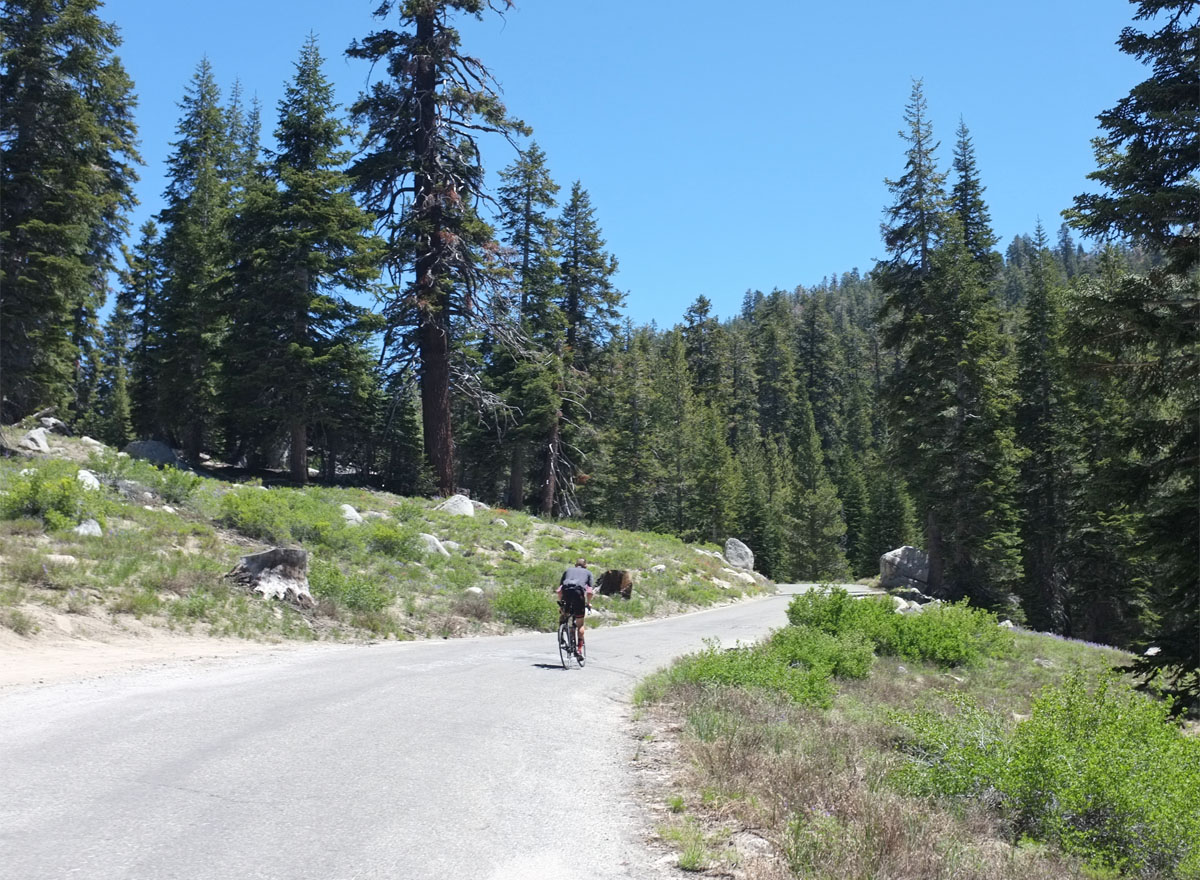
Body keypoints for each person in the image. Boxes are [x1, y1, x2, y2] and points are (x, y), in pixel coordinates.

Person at [556, 557, 594, 655]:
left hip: (566, 593)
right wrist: (588, 603)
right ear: (585, 566)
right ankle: (579, 650)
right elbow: (590, 592)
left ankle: (561, 630)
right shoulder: (588, 573)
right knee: (580, 623)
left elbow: (559, 590)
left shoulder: (568, 571)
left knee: (565, 613)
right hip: (578, 594)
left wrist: (561, 604)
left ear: (575, 565)